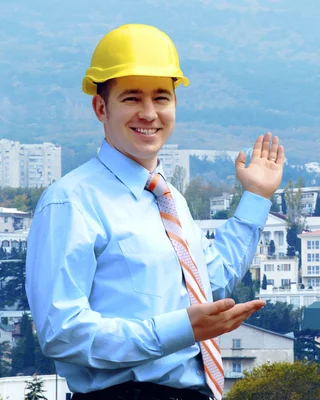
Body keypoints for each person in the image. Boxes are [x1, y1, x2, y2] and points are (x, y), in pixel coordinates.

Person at [25, 24, 284, 400]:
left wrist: (257, 197)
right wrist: (180, 330)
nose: (149, 113)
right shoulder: (71, 202)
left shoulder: (170, 199)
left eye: (161, 98)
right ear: (101, 107)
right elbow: (62, 333)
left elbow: (206, 287)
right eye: (132, 98)